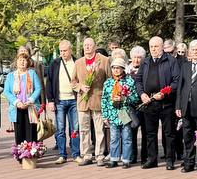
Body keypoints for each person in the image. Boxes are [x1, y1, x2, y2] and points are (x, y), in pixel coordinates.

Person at [138, 36, 180, 169]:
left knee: (169, 133)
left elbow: (176, 81)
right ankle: (152, 159)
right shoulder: (145, 62)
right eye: (151, 47)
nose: (153, 49)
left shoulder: (171, 61)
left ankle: (169, 160)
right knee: (150, 133)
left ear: (162, 47)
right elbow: (138, 80)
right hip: (149, 103)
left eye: (156, 46)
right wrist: (142, 94)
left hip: (166, 103)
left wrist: (164, 93)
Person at [175, 39, 197, 173]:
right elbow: (180, 87)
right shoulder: (185, 66)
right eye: (192, 49)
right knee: (188, 136)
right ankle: (189, 163)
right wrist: (178, 106)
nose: (194, 52)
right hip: (186, 106)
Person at [74, 37, 109, 167]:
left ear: (94, 46)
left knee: (99, 130)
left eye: (89, 45)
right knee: (84, 130)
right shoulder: (78, 62)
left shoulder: (104, 60)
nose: (87, 47)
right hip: (83, 101)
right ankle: (86, 155)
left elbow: (109, 80)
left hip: (98, 99)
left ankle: (100, 156)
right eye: (85, 45)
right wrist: (80, 87)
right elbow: (73, 81)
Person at [102, 51, 139, 168]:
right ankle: (114, 159)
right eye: (114, 68)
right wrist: (105, 115)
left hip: (124, 112)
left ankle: (126, 159)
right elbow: (104, 100)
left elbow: (135, 98)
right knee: (114, 138)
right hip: (112, 113)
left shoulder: (129, 81)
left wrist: (125, 98)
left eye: (118, 68)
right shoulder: (108, 83)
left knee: (127, 137)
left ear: (123, 68)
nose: (116, 70)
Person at [47, 39, 82, 163]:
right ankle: (62, 154)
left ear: (70, 50)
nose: (63, 53)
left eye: (65, 51)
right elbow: (49, 82)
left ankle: (76, 154)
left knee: (75, 129)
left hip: (74, 100)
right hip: (60, 101)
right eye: (61, 51)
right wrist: (50, 100)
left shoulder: (77, 62)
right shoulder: (55, 63)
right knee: (60, 129)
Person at [4, 47, 43, 147]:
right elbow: (7, 91)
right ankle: (20, 153)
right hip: (17, 108)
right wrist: (17, 102)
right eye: (20, 60)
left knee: (31, 133)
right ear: (16, 62)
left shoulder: (32, 73)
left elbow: (38, 88)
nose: (22, 62)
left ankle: (31, 153)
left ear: (28, 62)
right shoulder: (10, 76)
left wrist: (30, 100)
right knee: (19, 133)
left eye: (24, 60)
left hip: (30, 107)